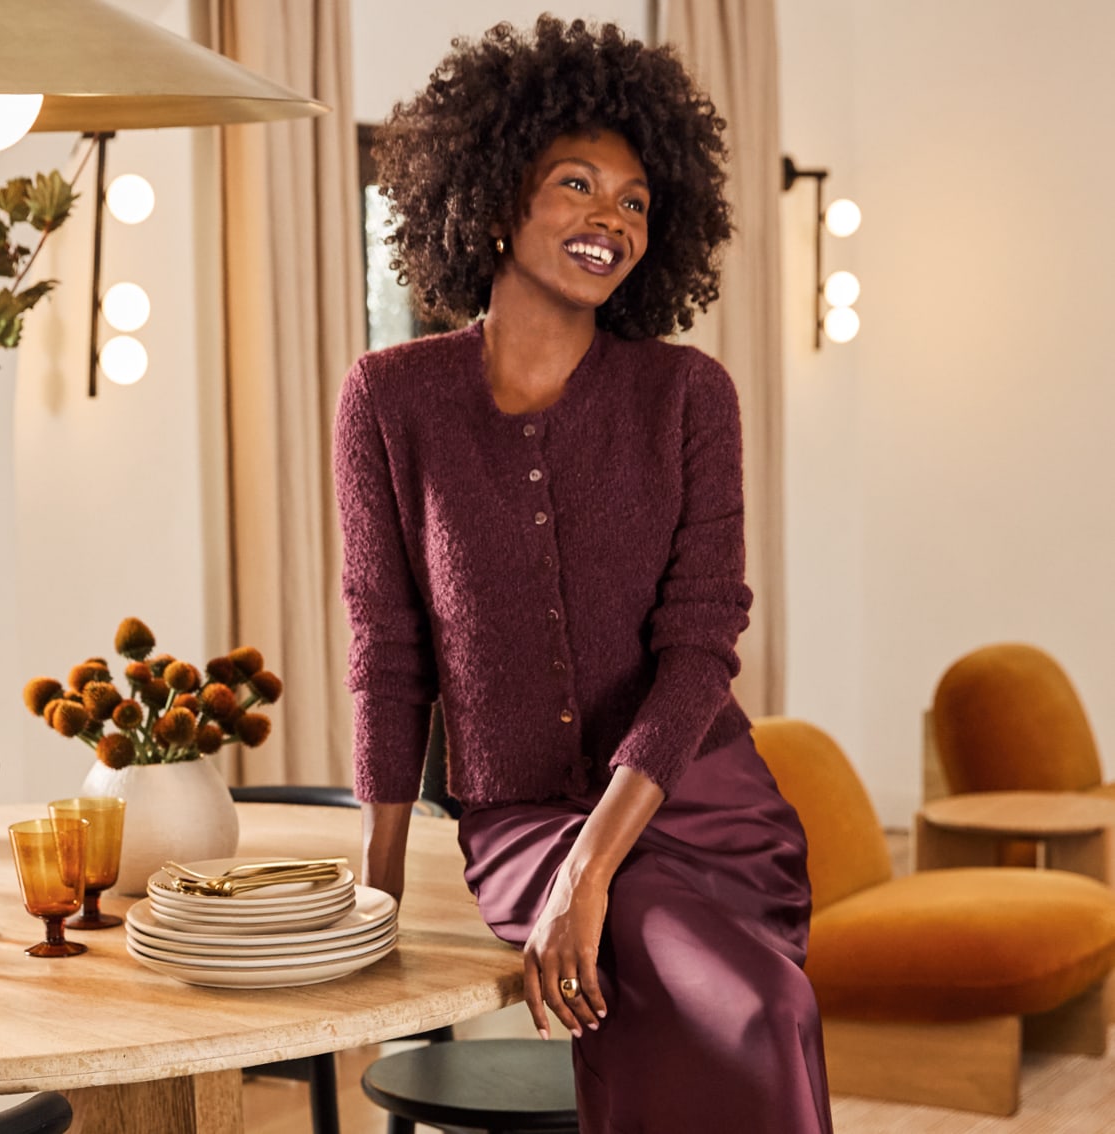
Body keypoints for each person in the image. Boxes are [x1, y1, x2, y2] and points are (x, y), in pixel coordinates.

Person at [334, 16, 833, 1133]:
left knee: (761, 1009)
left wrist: (597, 868)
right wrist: (375, 887)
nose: (609, 217)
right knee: (736, 1007)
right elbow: (388, 645)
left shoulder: (690, 396)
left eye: (636, 200)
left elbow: (704, 640)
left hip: (704, 808)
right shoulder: (389, 400)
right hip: (522, 822)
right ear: (496, 192)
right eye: (575, 183)